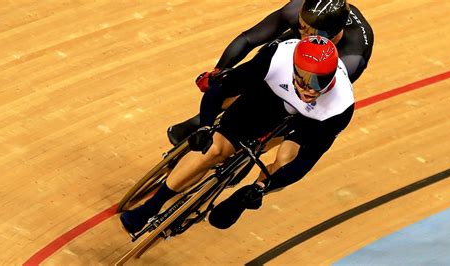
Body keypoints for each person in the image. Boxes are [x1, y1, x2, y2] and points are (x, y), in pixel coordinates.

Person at [120, 35, 355, 233]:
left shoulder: (340, 106)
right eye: (303, 79)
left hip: (307, 122)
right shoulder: (277, 58)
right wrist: (205, 127)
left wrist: (263, 188)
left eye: (318, 82)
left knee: (286, 160)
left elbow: (307, 161)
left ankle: (248, 192)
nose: (309, 88)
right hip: (270, 97)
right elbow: (221, 91)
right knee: (215, 149)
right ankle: (151, 206)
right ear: (293, 66)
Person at [167, 0, 373, 145]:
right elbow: (248, 39)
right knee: (260, 65)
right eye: (301, 28)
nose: (302, 33)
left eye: (308, 33)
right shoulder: (300, 11)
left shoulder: (352, 58)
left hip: (320, 76)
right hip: (293, 48)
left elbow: (311, 101)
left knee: (287, 108)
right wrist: (218, 71)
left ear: (329, 36)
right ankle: (201, 119)